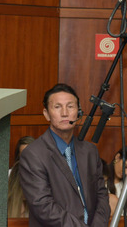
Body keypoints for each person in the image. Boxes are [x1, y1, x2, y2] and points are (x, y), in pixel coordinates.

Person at [19, 83, 110, 226]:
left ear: (78, 112)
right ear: (46, 114)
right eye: (57, 107)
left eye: (70, 106)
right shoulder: (33, 154)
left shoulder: (90, 151)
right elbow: (43, 205)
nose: (64, 113)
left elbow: (102, 195)